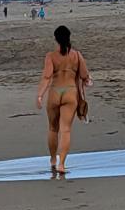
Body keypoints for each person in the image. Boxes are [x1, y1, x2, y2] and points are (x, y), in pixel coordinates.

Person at [35, 24, 90, 178]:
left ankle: (53, 159)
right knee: (65, 129)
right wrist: (87, 81)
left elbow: (46, 78)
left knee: (53, 129)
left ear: (56, 39)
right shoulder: (76, 55)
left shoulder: (51, 56)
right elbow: (85, 75)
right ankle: (62, 164)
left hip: (55, 92)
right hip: (70, 93)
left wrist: (40, 95)